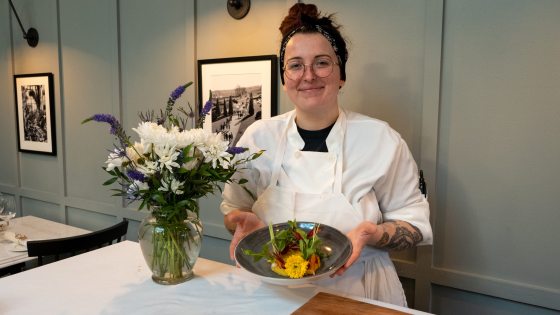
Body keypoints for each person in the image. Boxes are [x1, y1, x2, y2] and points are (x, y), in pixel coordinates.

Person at [220, 3, 432, 307]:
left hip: (359, 291)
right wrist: (242, 223)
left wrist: (374, 233)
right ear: (284, 77)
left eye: (322, 63)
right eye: (295, 65)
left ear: (341, 74)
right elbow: (234, 210)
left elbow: (414, 226)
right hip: (271, 293)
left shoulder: (381, 139)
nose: (308, 76)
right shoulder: (258, 138)